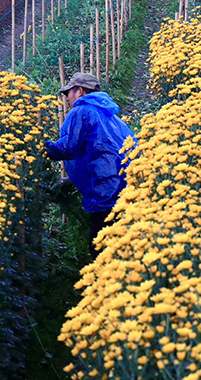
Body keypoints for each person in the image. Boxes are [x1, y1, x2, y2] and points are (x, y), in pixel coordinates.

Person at [45, 73, 135, 258]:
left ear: (79, 91)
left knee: (101, 247)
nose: (67, 98)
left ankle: (105, 282)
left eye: (68, 93)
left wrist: (43, 146)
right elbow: (99, 150)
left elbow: (69, 148)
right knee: (121, 241)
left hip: (106, 189)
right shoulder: (107, 112)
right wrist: (71, 179)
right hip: (126, 182)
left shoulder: (82, 110)